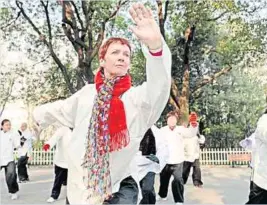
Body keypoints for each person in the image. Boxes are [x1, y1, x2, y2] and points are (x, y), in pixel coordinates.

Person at [33, 3, 171, 204]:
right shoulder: (86, 95)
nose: (122, 57)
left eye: (126, 55)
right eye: (116, 52)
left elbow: (159, 87)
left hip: (120, 185)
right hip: (81, 188)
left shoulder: (137, 99)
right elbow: (58, 110)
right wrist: (35, 116)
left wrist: (156, 48)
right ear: (103, 61)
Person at [157, 111, 198, 205]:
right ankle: (162, 195)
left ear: (176, 120)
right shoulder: (162, 130)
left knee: (178, 180)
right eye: (170, 119)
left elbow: (191, 133)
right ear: (167, 120)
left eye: (174, 119)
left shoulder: (181, 129)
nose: (172, 121)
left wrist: (193, 125)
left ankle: (179, 200)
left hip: (177, 160)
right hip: (165, 160)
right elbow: (157, 143)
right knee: (164, 180)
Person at [43, 126, 72, 203]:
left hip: (73, 161)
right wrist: (48, 145)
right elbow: (54, 138)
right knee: (58, 180)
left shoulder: (78, 128)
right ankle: (54, 195)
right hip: (62, 161)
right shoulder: (63, 129)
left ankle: (72, 197)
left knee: (73, 181)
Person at [182, 112, 205, 187]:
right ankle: (182, 181)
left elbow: (202, 142)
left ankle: (197, 182)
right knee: (185, 170)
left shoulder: (198, 136)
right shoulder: (186, 133)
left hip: (195, 155)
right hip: (187, 155)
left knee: (197, 168)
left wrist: (201, 139)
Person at [0, 119, 20, 200]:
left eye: (9, 125)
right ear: (2, 126)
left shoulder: (13, 134)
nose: (8, 126)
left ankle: (13, 192)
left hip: (9, 158)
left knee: (11, 175)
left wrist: (20, 140)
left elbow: (17, 145)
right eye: (6, 125)